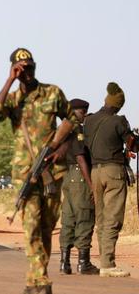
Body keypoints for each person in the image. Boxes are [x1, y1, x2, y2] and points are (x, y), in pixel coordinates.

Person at [0, 48, 74, 294]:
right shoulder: (13, 100)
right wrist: (9, 80)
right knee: (31, 226)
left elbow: (73, 122)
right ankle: (43, 282)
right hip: (26, 174)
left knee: (46, 228)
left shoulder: (53, 93)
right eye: (21, 68)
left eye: (30, 67)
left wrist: (63, 149)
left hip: (53, 172)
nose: (27, 72)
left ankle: (34, 278)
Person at [84, 82, 139, 277]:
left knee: (101, 217)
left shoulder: (89, 121)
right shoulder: (119, 121)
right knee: (113, 217)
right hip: (113, 171)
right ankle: (108, 264)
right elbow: (133, 147)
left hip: (94, 172)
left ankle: (104, 261)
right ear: (118, 105)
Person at [59, 99, 99, 275]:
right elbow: (81, 157)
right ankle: (83, 263)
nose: (84, 116)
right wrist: (91, 186)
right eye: (83, 112)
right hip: (79, 176)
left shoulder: (61, 131)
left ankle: (64, 262)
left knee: (68, 219)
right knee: (84, 216)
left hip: (67, 177)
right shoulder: (77, 130)